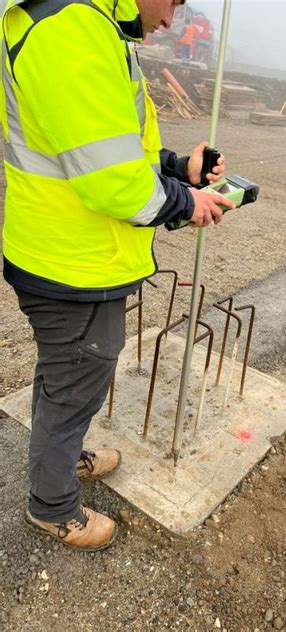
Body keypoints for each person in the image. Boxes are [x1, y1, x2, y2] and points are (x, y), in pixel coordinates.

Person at [0, 0, 234, 552]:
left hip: (71, 253)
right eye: (175, 1)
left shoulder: (88, 21)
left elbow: (106, 147)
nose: (173, 20)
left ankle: (57, 463)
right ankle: (52, 505)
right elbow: (111, 182)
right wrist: (186, 201)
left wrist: (177, 168)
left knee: (66, 378)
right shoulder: (70, 28)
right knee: (74, 384)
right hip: (72, 263)